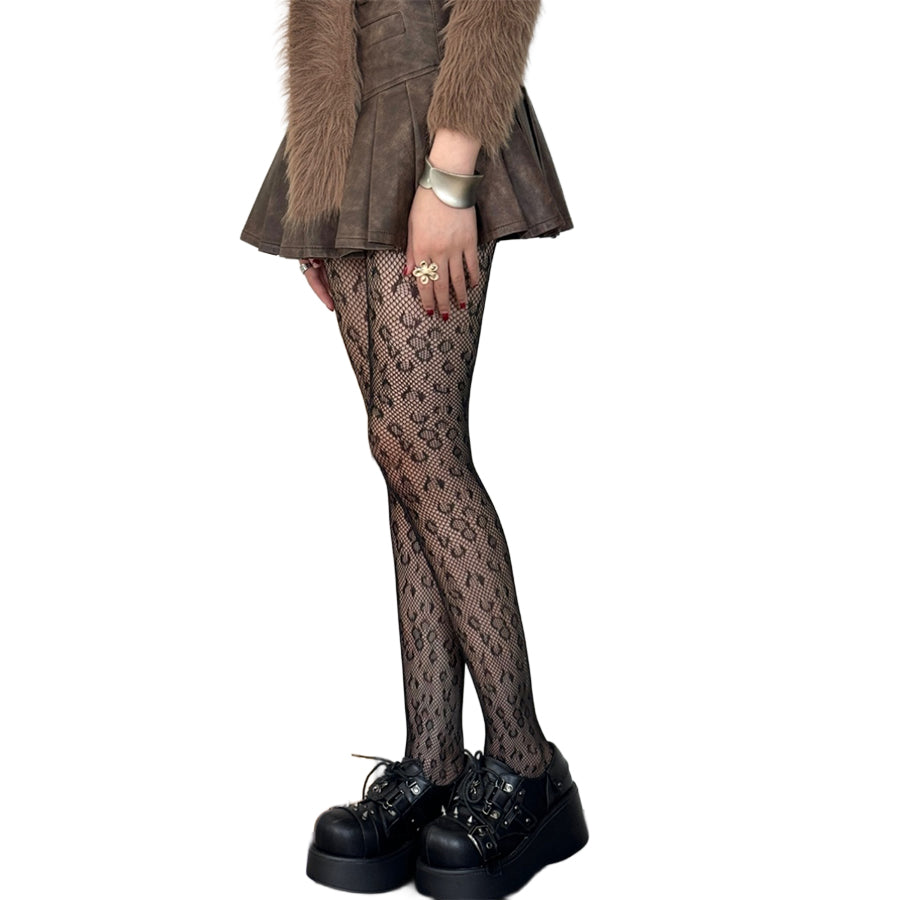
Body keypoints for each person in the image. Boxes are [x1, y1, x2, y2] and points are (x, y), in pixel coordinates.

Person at [240, 1, 587, 896]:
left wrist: (452, 175)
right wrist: (318, 193)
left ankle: (527, 767)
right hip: (349, 137)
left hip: (436, 121)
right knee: (401, 457)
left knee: (417, 444)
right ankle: (433, 763)